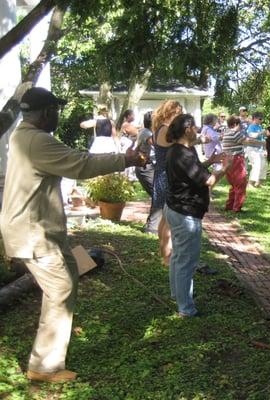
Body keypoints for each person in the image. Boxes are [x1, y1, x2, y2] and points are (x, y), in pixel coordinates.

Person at [0, 87, 145, 382]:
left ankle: (48, 359)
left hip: (40, 229)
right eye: (55, 110)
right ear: (44, 113)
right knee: (61, 289)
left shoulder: (21, 135)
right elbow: (81, 164)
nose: (58, 115)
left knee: (67, 277)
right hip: (33, 232)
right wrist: (125, 160)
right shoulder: (37, 141)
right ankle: (43, 367)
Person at [164, 114, 229, 317]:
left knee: (178, 257)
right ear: (187, 130)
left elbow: (195, 171)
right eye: (195, 127)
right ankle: (186, 308)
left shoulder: (183, 150)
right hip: (185, 213)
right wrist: (225, 168)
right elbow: (208, 181)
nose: (198, 130)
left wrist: (211, 160)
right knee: (186, 261)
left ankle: (178, 295)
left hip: (176, 209)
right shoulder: (181, 154)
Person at [152, 100, 183, 265]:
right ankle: (167, 258)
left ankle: (164, 253)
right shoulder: (165, 129)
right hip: (167, 177)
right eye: (178, 113)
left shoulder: (159, 129)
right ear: (170, 113)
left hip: (162, 175)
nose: (180, 116)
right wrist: (199, 140)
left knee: (165, 218)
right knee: (169, 221)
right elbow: (182, 145)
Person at [134, 111, 158, 234]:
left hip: (148, 167)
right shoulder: (146, 133)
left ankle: (153, 226)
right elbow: (157, 144)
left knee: (159, 195)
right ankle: (152, 227)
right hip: (145, 168)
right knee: (158, 195)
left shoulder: (148, 132)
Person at [222, 115, 248, 212]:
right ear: (236, 124)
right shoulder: (235, 133)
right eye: (240, 124)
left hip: (226, 160)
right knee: (241, 183)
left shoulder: (226, 133)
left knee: (233, 184)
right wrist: (263, 143)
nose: (241, 126)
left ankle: (229, 205)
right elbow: (247, 141)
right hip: (236, 159)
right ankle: (237, 208)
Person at [246, 112, 267, 187]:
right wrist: (261, 132)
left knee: (263, 164)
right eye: (260, 119)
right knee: (256, 165)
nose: (261, 120)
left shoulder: (260, 127)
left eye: (262, 119)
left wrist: (265, 150)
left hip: (260, 149)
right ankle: (250, 183)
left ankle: (258, 182)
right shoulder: (251, 126)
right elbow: (251, 136)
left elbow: (263, 139)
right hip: (252, 149)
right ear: (255, 118)